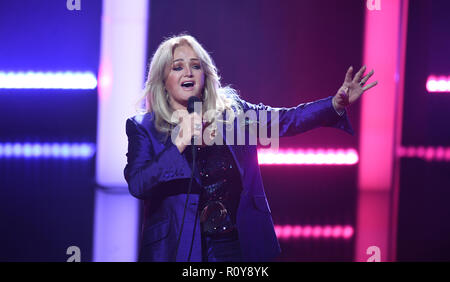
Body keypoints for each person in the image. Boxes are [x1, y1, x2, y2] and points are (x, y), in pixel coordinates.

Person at [123, 34, 378, 262]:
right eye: (177, 67)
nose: (188, 72)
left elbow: (287, 120)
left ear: (205, 74)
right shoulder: (143, 127)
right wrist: (178, 142)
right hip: (176, 249)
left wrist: (334, 104)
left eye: (195, 65)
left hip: (235, 246)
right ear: (163, 80)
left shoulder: (234, 113)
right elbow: (139, 183)